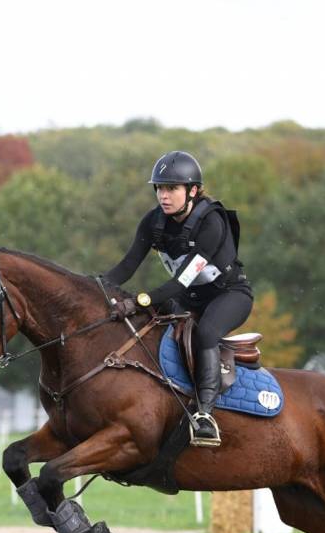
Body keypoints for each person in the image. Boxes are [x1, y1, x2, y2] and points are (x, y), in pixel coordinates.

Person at [101, 150, 253, 446]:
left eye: (172, 188)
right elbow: (127, 266)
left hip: (229, 296)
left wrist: (140, 300)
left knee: (206, 331)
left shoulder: (211, 223)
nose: (163, 195)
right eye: (159, 188)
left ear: (193, 190)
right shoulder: (152, 223)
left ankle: (205, 414)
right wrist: (94, 288)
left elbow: (182, 279)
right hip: (188, 297)